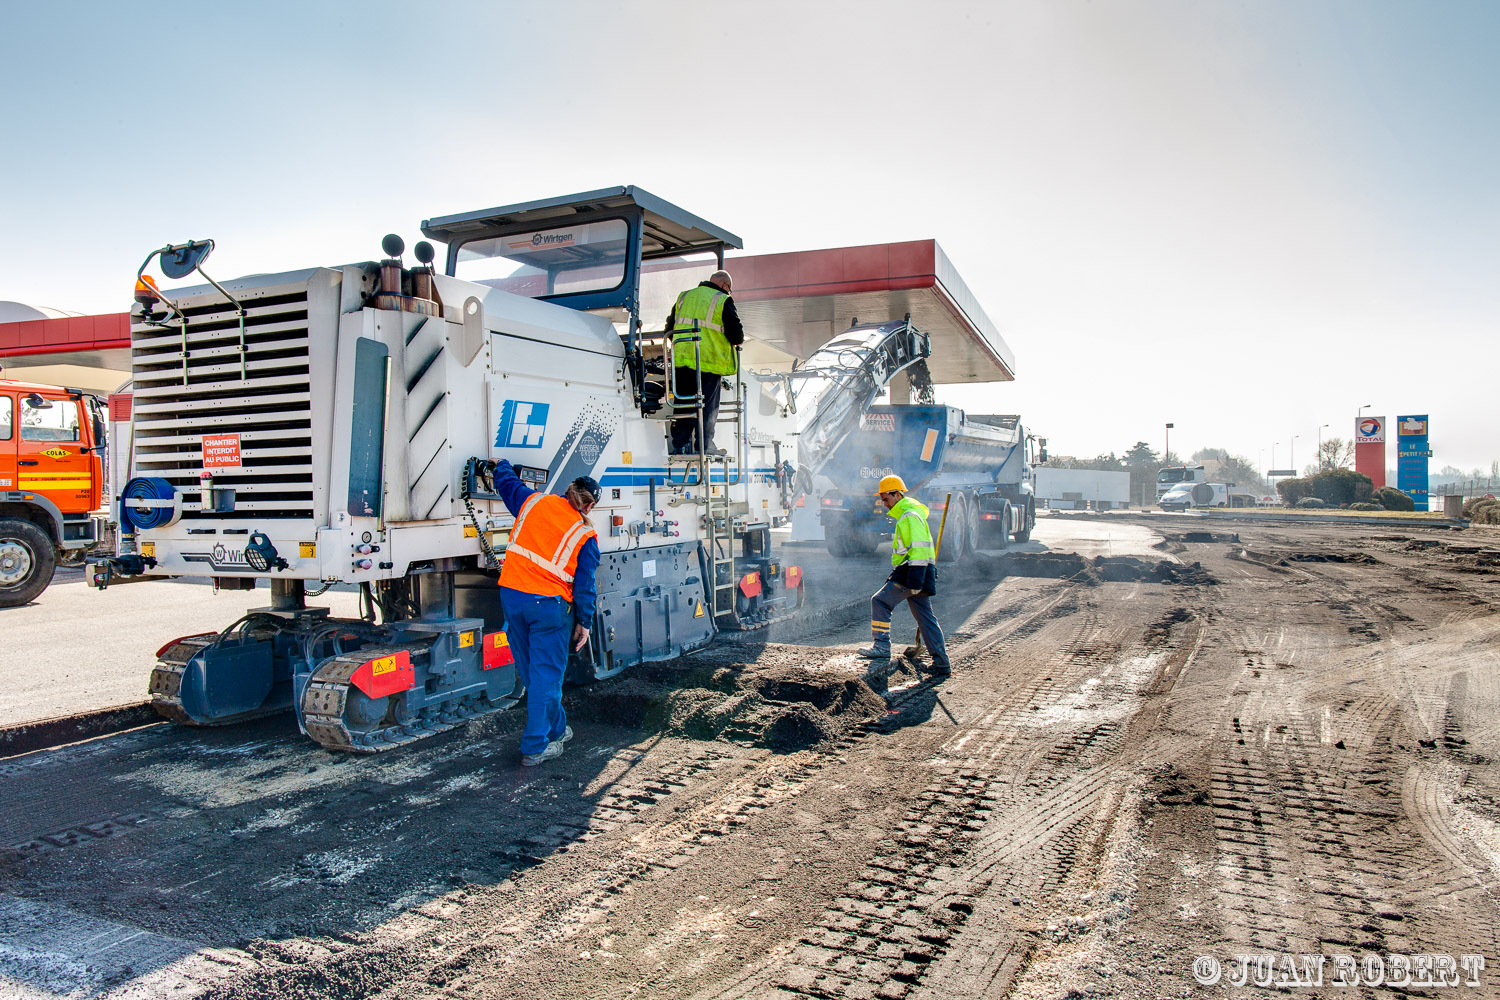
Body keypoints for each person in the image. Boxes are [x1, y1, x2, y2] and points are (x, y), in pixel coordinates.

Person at [492, 459, 601, 765]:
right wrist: (584, 623)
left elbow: (508, 485)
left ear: (568, 492)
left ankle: (556, 728)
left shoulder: (533, 502)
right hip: (548, 608)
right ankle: (536, 746)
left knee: (531, 672)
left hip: (512, 598)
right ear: (589, 506)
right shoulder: (585, 535)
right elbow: (584, 587)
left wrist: (500, 465)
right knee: (546, 677)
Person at [857, 475, 951, 675]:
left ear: (897, 494)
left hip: (911, 572)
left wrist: (915, 581)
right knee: (925, 617)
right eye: (882, 500)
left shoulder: (909, 516)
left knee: (880, 602)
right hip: (917, 572)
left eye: (886, 499)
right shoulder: (910, 514)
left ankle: (881, 646)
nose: (884, 504)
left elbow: (918, 549)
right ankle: (941, 663)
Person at [666, 269, 744, 455]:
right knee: (708, 407)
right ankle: (705, 445)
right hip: (707, 362)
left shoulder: (684, 297)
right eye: (729, 289)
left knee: (683, 404)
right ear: (725, 286)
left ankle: (680, 446)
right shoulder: (722, 300)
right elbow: (737, 335)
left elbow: (669, 329)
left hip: (682, 362)